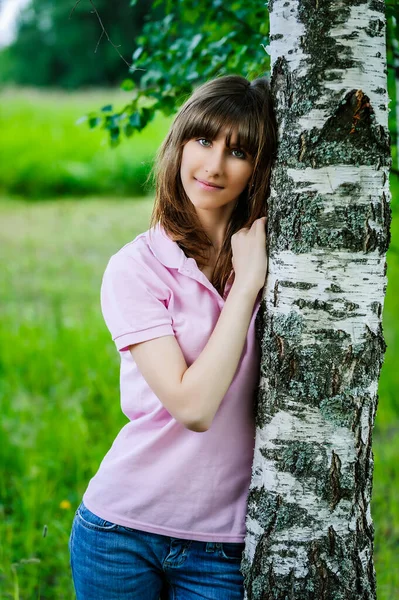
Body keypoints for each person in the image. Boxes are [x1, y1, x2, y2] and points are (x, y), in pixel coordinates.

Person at [69, 74, 277, 599]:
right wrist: (247, 285)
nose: (213, 165)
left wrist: (251, 270)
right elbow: (193, 407)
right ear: (179, 142)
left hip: (224, 547)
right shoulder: (137, 268)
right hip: (121, 533)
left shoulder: (283, 264)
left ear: (259, 167)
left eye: (239, 151)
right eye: (204, 140)